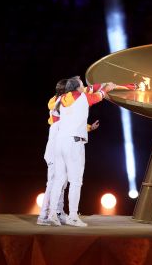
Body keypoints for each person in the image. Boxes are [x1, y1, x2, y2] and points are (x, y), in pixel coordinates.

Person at [47, 76, 115, 227]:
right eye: (82, 85)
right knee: (76, 182)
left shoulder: (60, 99)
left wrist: (87, 127)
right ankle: (72, 216)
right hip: (74, 143)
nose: (83, 86)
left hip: (60, 142)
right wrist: (107, 88)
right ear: (77, 88)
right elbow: (98, 96)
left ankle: (52, 214)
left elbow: (61, 118)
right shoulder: (82, 97)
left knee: (59, 179)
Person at [37, 79, 101, 226]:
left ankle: (56, 213)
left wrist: (89, 128)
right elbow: (68, 122)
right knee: (55, 182)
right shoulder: (63, 103)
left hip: (58, 146)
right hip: (57, 148)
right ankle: (44, 215)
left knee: (60, 182)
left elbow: (71, 122)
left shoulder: (59, 102)